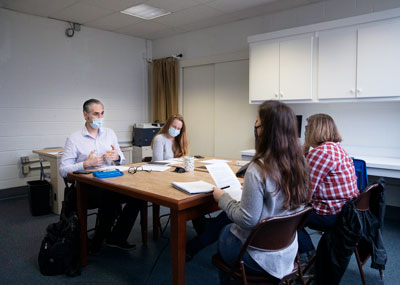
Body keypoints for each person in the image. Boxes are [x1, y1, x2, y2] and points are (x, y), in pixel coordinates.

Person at [213, 100, 311, 282]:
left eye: (257, 122)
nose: (255, 126)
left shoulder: (258, 168)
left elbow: (247, 220)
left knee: (225, 231)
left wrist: (223, 198)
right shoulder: (300, 163)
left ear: (264, 129)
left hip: (260, 257)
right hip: (288, 251)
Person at [60, 98, 141, 252]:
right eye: (96, 114)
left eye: (102, 114)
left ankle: (117, 237)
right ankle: (97, 241)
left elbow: (121, 160)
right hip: (87, 188)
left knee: (137, 196)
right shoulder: (74, 139)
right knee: (109, 197)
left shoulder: (109, 133)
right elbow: (63, 170)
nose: (100, 118)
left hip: (111, 181)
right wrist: (85, 164)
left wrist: (116, 157)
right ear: (85, 115)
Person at [298, 113, 359, 261]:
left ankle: (308, 256)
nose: (305, 131)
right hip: (345, 211)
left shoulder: (321, 153)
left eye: (307, 128)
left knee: (282, 217)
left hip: (329, 215)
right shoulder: (335, 148)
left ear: (316, 129)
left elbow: (303, 193)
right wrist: (306, 146)